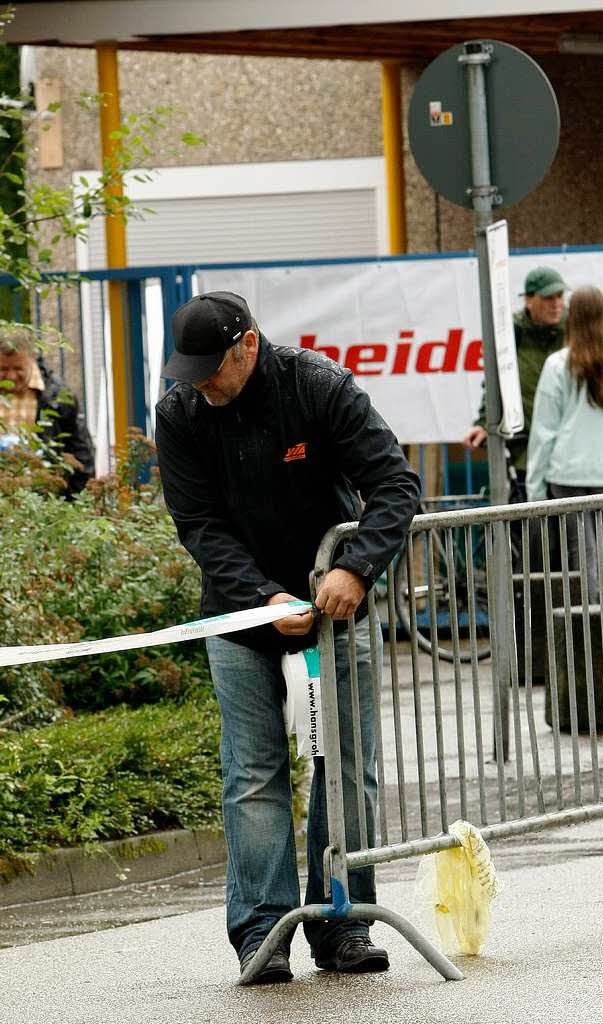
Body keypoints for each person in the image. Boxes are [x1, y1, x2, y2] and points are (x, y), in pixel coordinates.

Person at [154, 291, 420, 985]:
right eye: (191, 371)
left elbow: (394, 485)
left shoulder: (319, 387)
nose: (202, 383)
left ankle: (344, 924)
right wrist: (262, 597)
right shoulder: (179, 411)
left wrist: (356, 569)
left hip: (337, 613)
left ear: (248, 345)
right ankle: (262, 934)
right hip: (241, 617)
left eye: (213, 368)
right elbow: (198, 524)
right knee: (253, 774)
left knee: (347, 767)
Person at [525, 285, 603, 595]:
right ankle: (594, 618)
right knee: (592, 547)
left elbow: (544, 431)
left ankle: (588, 623)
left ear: (572, 319)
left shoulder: (558, 365)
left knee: (580, 553)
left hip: (565, 473)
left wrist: (534, 488)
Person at [463, 265, 567, 481]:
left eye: (560, 296)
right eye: (549, 298)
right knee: (532, 513)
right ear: (529, 300)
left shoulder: (574, 329)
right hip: (526, 451)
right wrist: (484, 423)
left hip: (569, 449)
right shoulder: (510, 333)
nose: (557, 304)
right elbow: (494, 384)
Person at [0, 325, 95, 494]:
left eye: (18, 368)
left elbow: (81, 454)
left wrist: (73, 503)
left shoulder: (56, 396)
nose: (11, 376)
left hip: (41, 501)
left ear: (31, 360)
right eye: (3, 369)